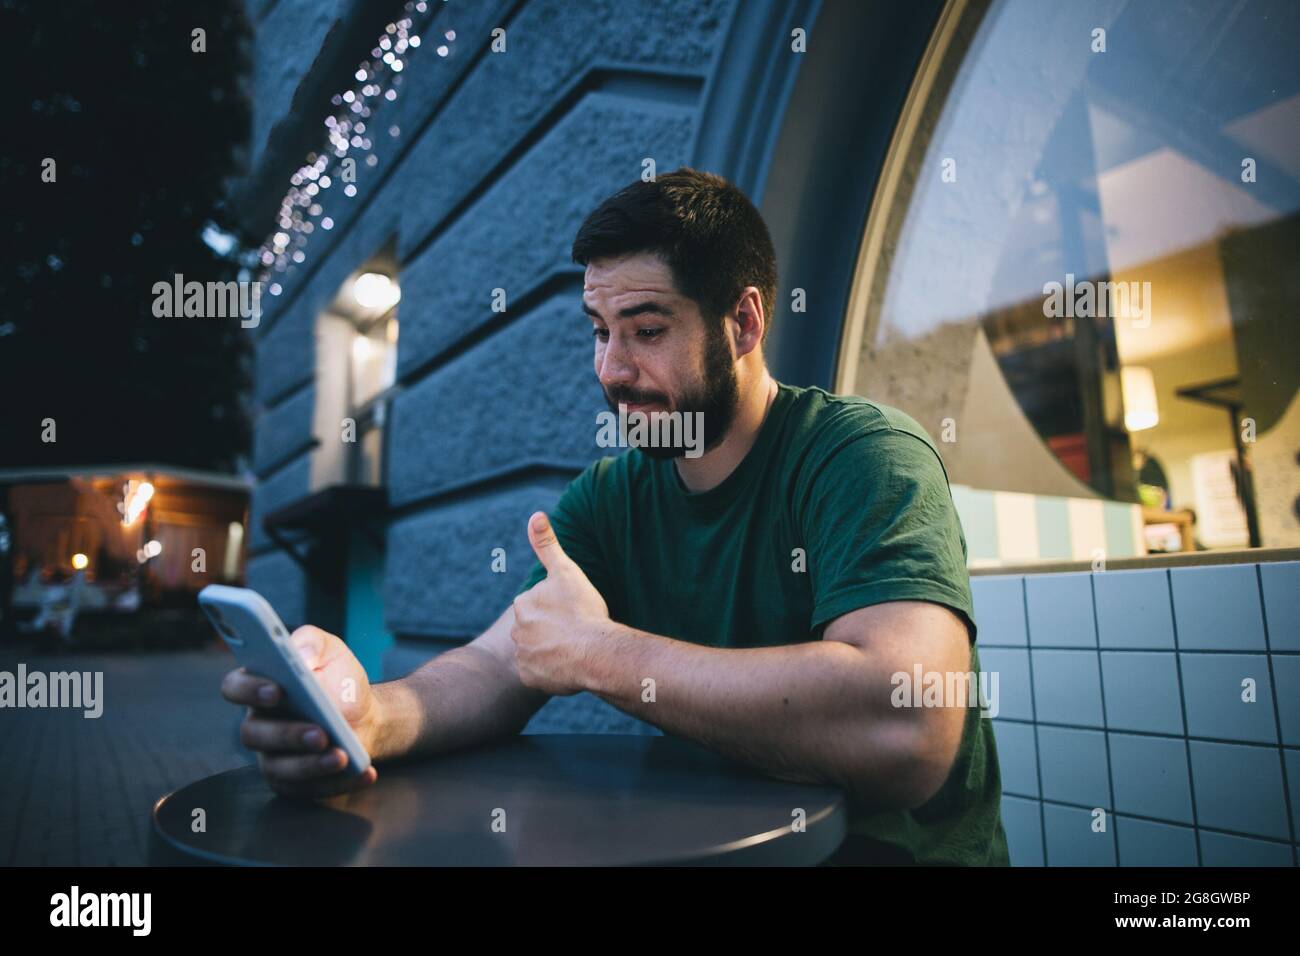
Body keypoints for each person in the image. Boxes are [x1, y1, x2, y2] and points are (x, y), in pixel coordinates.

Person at [221, 168, 1009, 865]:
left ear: (744, 323)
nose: (611, 369)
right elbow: (503, 662)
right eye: (600, 332)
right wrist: (366, 716)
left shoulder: (860, 455)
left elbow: (912, 723)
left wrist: (600, 654)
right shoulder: (609, 497)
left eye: (647, 330)